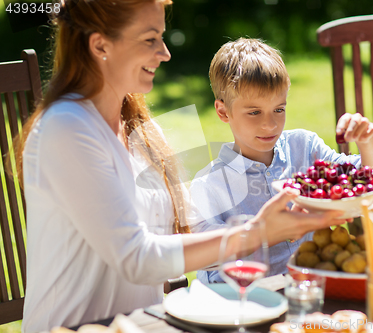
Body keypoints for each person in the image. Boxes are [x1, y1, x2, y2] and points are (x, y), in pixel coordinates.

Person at [16, 2, 348, 332]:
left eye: (161, 37)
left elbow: (185, 231)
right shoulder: (66, 128)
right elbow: (137, 258)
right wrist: (257, 234)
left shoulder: (143, 130)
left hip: (140, 324)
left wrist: (318, 209)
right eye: (150, 39)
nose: (165, 52)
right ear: (100, 45)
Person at [189, 38, 373, 284]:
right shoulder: (209, 185)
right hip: (244, 303)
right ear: (223, 112)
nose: (270, 124)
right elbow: (203, 257)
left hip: (310, 292)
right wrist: (269, 231)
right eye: (254, 112)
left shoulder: (305, 148)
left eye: (279, 109)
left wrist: (366, 140)